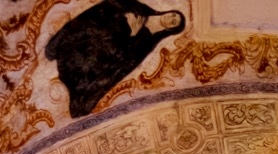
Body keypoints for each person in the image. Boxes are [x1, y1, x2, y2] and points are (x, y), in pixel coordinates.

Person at [46, 1, 186, 118]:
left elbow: (128, 61)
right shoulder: (142, 9)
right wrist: (124, 14)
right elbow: (113, 3)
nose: (170, 18)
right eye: (173, 15)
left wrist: (133, 35)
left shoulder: (149, 41)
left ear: (171, 28)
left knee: (97, 60)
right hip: (95, 35)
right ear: (170, 11)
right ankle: (59, 46)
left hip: (103, 55)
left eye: (173, 22)